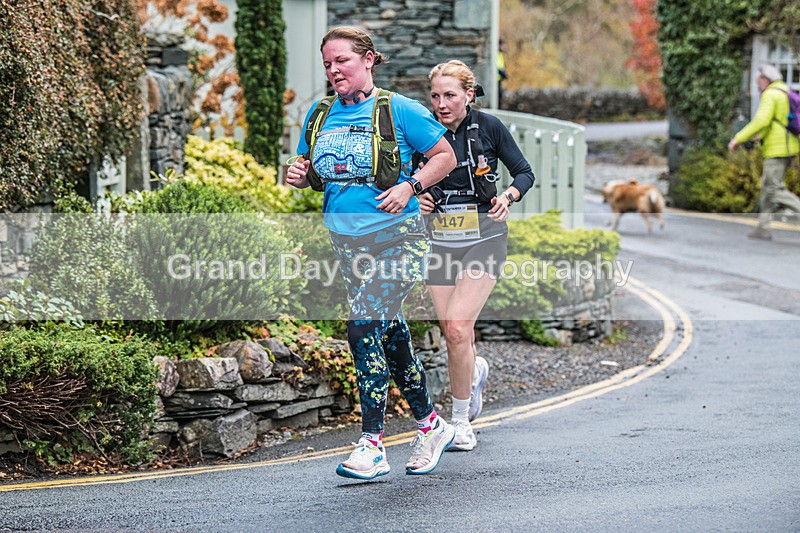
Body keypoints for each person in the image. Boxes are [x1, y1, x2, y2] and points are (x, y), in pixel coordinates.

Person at [286, 27, 457, 480]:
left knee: (363, 323)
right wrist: (299, 173)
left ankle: (372, 445)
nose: (333, 70)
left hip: (399, 240)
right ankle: (431, 424)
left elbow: (445, 156)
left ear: (367, 60)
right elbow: (310, 170)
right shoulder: (319, 114)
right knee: (391, 333)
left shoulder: (398, 108)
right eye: (326, 64)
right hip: (347, 243)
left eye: (341, 60)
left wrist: (410, 185)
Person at [417, 60, 535, 451]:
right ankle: (476, 370)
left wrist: (508, 196)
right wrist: (419, 197)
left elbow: (524, 172)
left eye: (449, 95)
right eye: (435, 96)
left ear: (468, 94)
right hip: (440, 240)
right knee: (455, 335)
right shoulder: (424, 131)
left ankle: (460, 421)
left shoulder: (489, 128)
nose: (441, 103)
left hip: (485, 235)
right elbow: (407, 179)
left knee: (455, 327)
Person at [728, 63, 800, 240]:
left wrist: (738, 138)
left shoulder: (770, 94)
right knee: (768, 187)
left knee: (774, 189)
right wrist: (762, 135)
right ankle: (763, 227)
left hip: (777, 148)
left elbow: (761, 120)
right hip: (786, 145)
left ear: (765, 79)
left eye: (758, 81)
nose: (756, 85)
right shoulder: (784, 91)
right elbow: (776, 121)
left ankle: (765, 226)